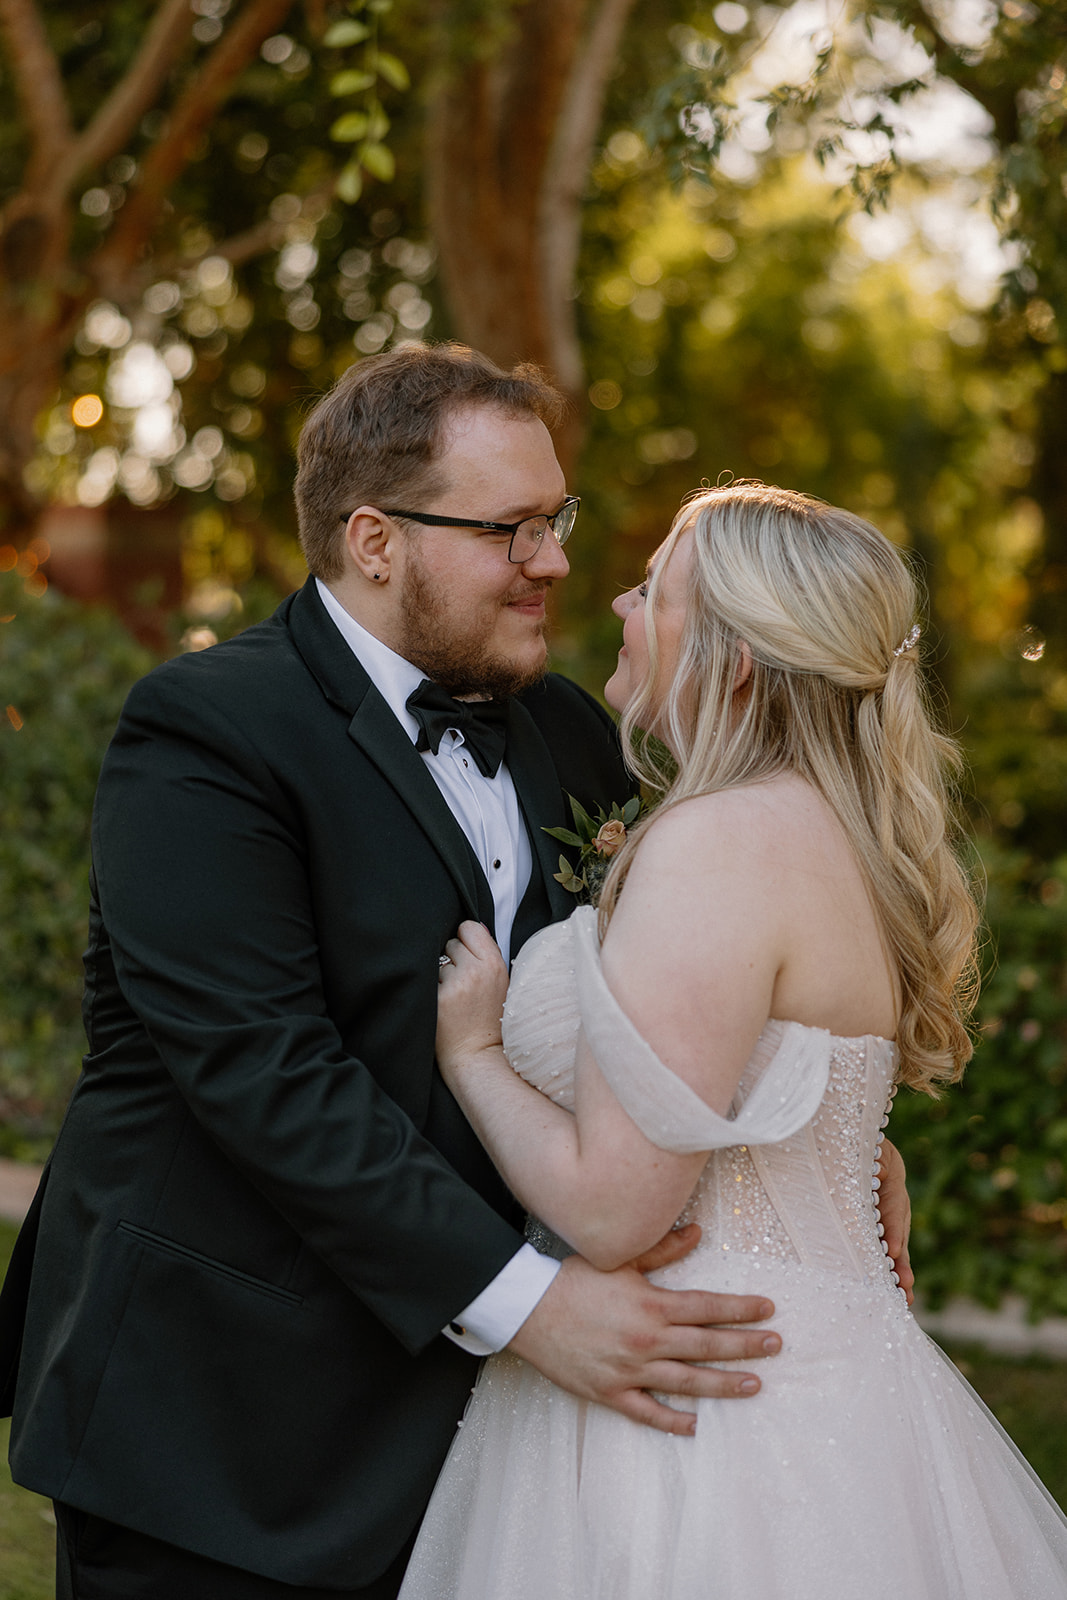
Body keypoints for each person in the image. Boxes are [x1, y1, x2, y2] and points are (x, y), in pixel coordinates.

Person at [0, 350, 895, 1600]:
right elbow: (265, 1073)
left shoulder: (572, 731)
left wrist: (801, 1130)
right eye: (511, 528)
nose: (554, 560)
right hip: (225, 1429)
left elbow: (680, 989)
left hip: (474, 1453)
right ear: (374, 540)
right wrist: (532, 1306)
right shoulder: (206, 731)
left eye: (555, 518)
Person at [398, 481, 1067, 1600]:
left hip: (696, 1391)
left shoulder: (717, 842)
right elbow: (776, 1090)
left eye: (651, 588)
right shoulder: (841, 836)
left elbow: (614, 1211)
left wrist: (470, 1056)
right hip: (836, 1382)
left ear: (736, 658)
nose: (618, 601)